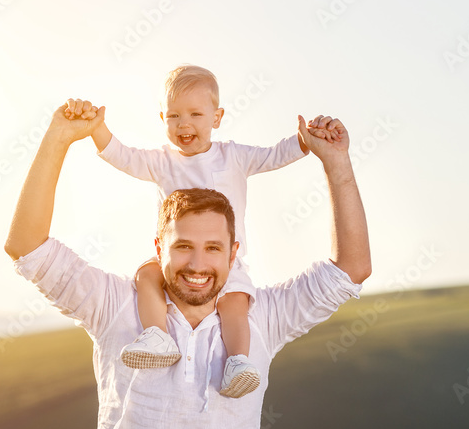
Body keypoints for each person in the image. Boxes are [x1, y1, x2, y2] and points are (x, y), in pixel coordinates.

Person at [4, 99, 370, 429]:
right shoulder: (117, 308)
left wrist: (336, 164)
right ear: (159, 248)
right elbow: (27, 247)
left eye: (213, 248)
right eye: (183, 247)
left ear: (233, 253)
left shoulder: (261, 317)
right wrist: (59, 138)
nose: (198, 264)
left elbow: (352, 269)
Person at [67, 65, 338, 399]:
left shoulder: (233, 157)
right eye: (174, 116)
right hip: (174, 264)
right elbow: (123, 157)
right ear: (162, 118)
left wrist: (303, 141)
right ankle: (157, 336)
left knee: (235, 303)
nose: (184, 124)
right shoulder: (161, 161)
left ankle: (238, 362)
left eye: (196, 114)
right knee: (145, 276)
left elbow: (274, 156)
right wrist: (97, 129)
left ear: (217, 117)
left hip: (222, 264)